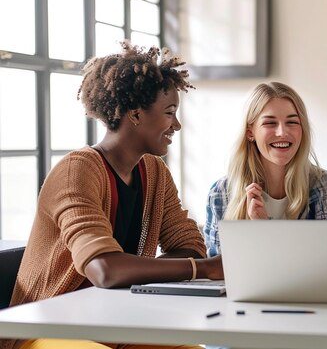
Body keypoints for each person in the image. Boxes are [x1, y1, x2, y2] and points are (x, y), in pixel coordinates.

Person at [2, 42, 223, 349]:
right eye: (169, 112)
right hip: (48, 329)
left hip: (117, 324)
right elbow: (104, 269)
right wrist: (203, 270)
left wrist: (137, 269)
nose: (177, 124)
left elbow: (190, 246)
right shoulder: (77, 171)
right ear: (134, 114)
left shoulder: (155, 172)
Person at [204, 82, 327, 256]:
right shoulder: (221, 194)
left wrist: (267, 232)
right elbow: (218, 271)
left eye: (292, 122)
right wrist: (257, 232)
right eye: (270, 123)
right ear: (250, 132)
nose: (282, 132)